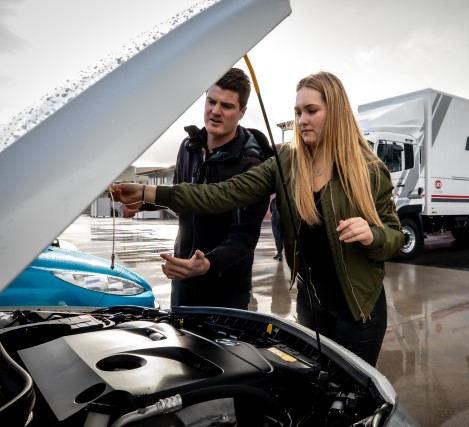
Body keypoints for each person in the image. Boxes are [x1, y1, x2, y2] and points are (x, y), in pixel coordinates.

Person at [112, 71, 403, 366]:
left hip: (358, 309)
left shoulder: (368, 169)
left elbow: (394, 237)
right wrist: (147, 193)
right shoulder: (285, 162)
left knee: (352, 389)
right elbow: (221, 193)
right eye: (298, 112)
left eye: (311, 111)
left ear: (336, 112)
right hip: (311, 303)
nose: (301, 120)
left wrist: (372, 235)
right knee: (317, 384)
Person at [121, 68, 272, 310]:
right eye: (211, 101)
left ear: (242, 112)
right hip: (182, 276)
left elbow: (244, 236)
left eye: (227, 106)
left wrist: (209, 263)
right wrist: (144, 202)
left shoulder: (252, 164)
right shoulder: (188, 147)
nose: (216, 111)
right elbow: (181, 197)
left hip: (225, 288)